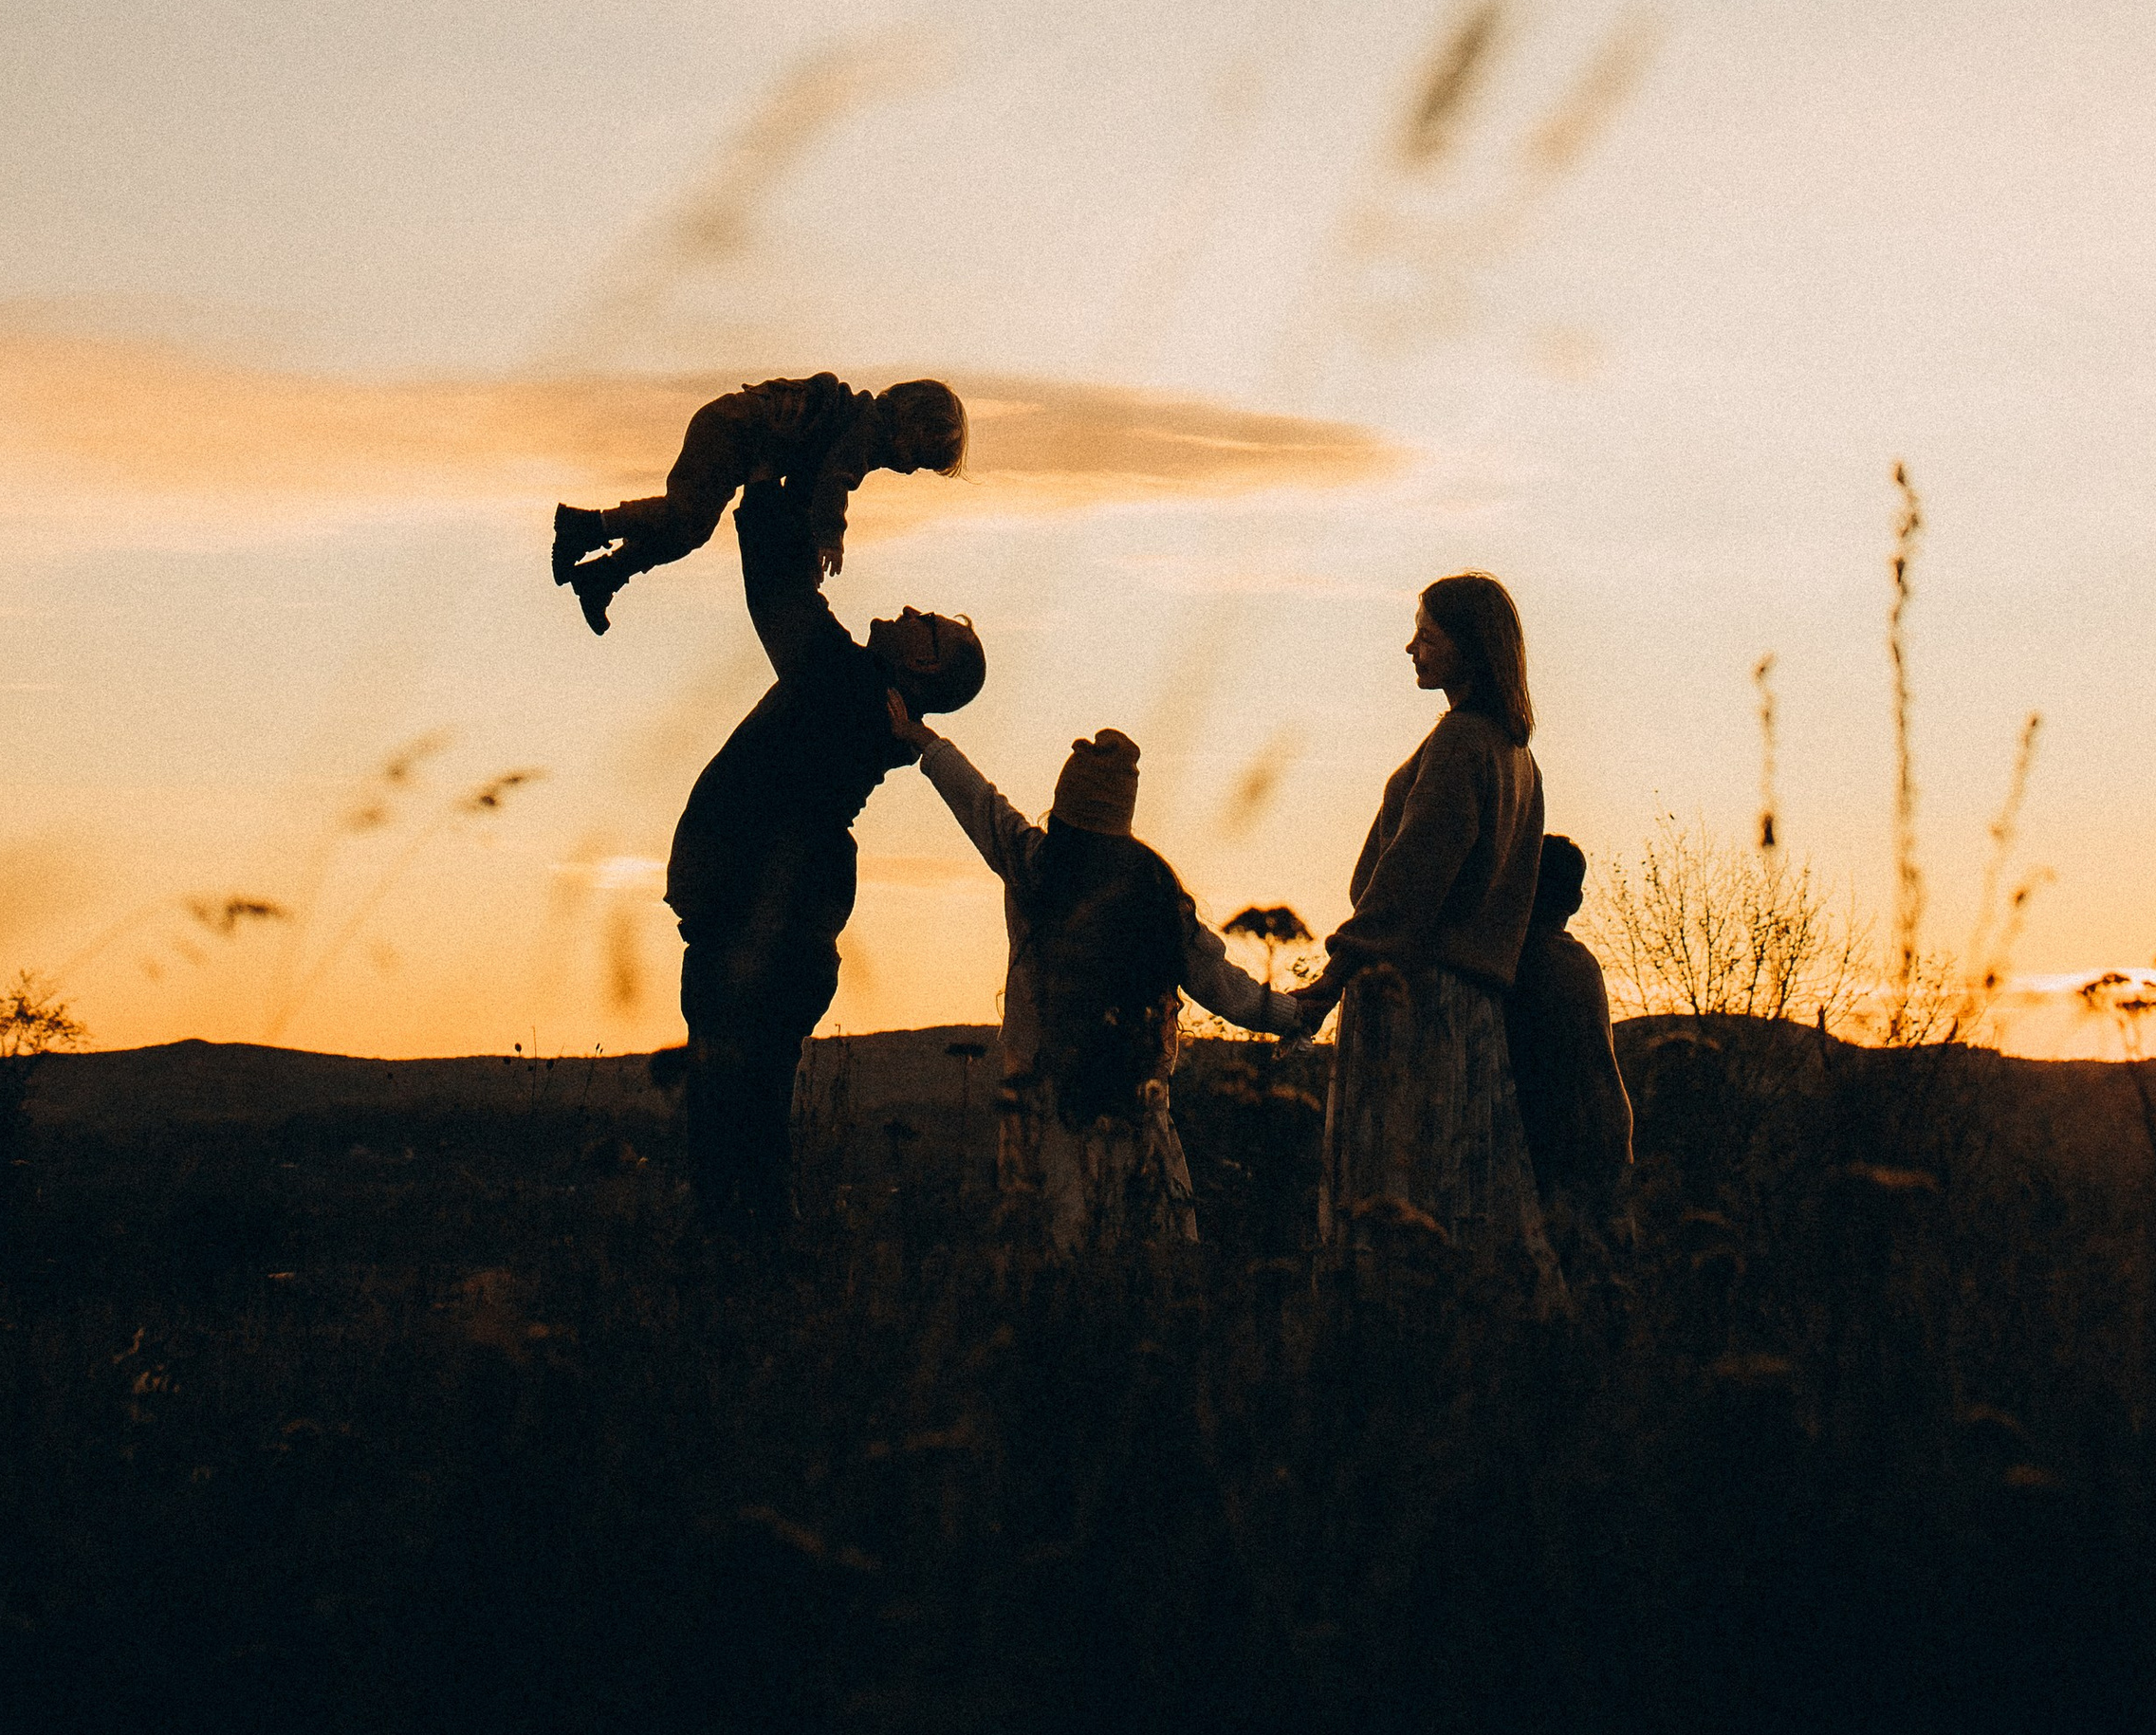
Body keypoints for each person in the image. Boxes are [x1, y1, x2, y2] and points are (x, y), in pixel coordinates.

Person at [617, 470, 986, 1230]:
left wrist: (764, 486)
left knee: (730, 1135)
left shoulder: (846, 686)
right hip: (773, 938)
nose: (914, 610)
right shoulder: (859, 691)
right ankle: (754, 1277)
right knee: (745, 1131)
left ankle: (743, 1283)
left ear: (924, 667)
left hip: (761, 940)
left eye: (932, 628)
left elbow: (778, 603)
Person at [887, 705, 1301, 1251]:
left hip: (1043, 1103)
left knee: (1055, 1258)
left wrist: (921, 737)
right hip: (1139, 1104)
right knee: (1153, 1257)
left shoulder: (1035, 862)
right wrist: (1298, 1013)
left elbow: (978, 801)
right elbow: (1221, 984)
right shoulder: (1153, 890)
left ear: (1062, 809)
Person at [1294, 572, 1559, 1285]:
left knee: (1391, 1193)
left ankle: (1376, 1338)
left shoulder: (1461, 745)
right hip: (1475, 1012)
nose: (1410, 647)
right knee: (1464, 1193)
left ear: (1470, 648)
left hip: (1411, 999)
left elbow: (1409, 880)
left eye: (1428, 634)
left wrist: (1335, 973)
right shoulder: (1519, 758)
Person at [552, 373, 968, 632]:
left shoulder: (846, 423)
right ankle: (588, 527)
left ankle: (604, 575)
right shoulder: (866, 431)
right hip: (734, 431)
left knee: (690, 530)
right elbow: (831, 483)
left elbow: (801, 493)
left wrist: (803, 556)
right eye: (919, 455)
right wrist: (829, 539)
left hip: (732, 430)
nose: (912, 468)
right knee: (686, 516)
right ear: (907, 422)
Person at [1505, 834, 1634, 1224]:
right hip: (1608, 1127)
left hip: (1559, 1139)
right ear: (1576, 903)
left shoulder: (1517, 960)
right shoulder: (1582, 960)